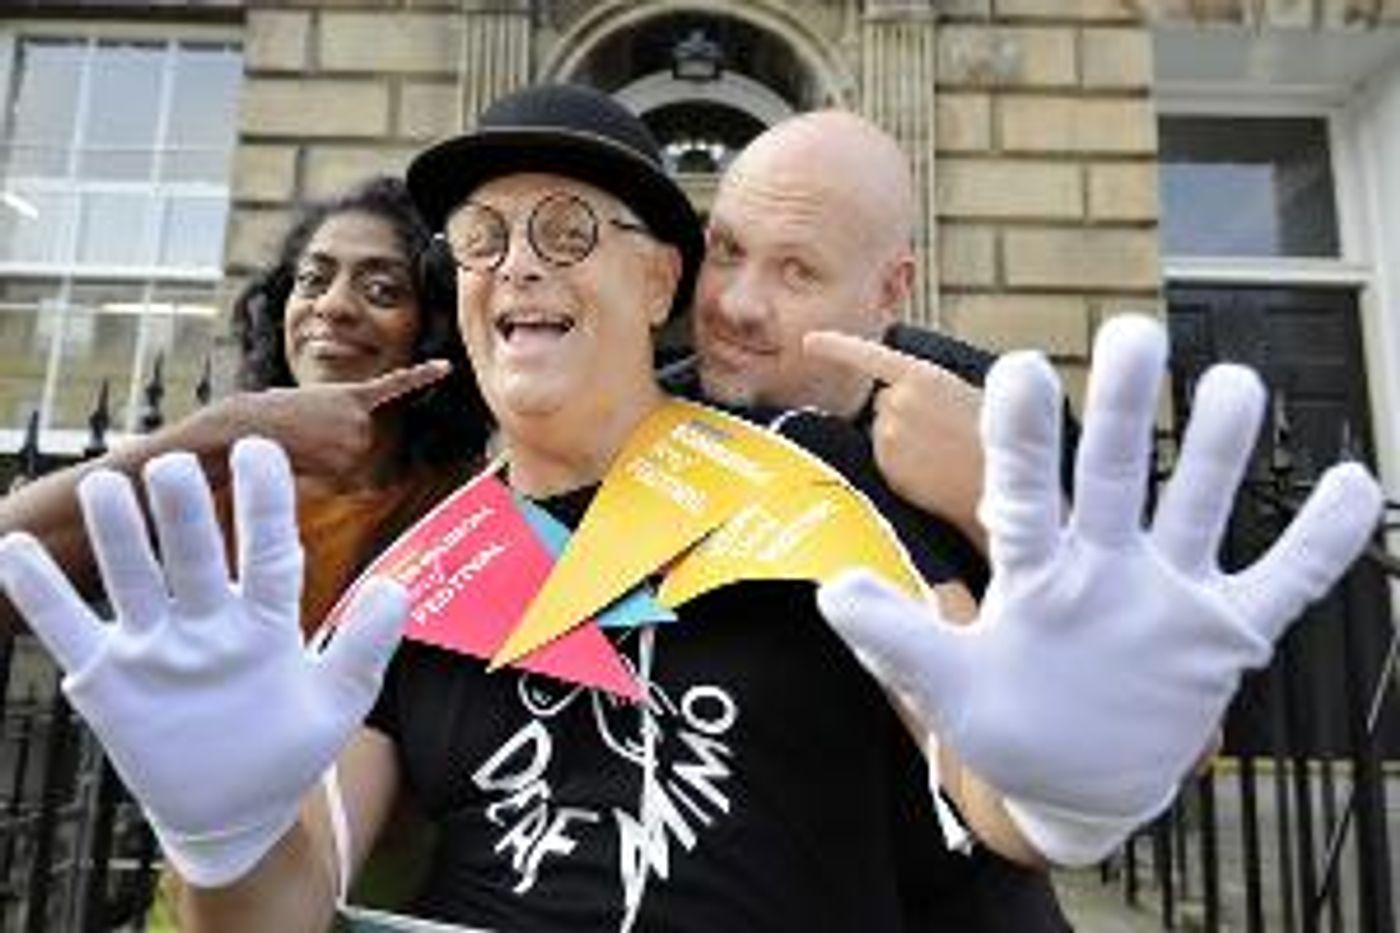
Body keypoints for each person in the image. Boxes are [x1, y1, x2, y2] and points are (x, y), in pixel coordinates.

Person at [0, 84, 1382, 933]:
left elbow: (991, 758)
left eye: (567, 230)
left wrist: (1059, 774)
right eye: (479, 239)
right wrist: (225, 839)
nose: (513, 266)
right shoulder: (409, 581)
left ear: (657, 280)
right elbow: (286, 903)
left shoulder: (818, 477)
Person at [681, 108, 1073, 924]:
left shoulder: (999, 415)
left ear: (890, 289)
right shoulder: (650, 414)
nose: (738, 304)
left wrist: (990, 502)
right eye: (727, 251)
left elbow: (1153, 730)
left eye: (797, 272)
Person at [0, 175, 490, 635]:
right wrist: (229, 428)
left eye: (382, 290)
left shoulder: (467, 504)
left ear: (435, 326)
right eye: (313, 281)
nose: (332, 306)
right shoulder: (210, 482)